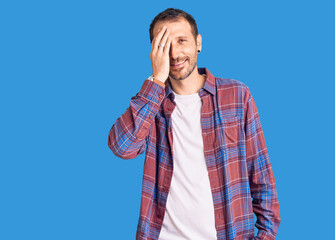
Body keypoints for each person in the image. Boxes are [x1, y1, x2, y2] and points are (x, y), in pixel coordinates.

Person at [108, 8, 280, 240]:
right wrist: (157, 79)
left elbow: (260, 174)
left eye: (181, 41)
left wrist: (266, 235)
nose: (175, 53)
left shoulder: (237, 95)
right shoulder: (150, 104)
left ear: (198, 43)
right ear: (154, 52)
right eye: (165, 45)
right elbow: (122, 147)